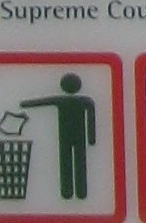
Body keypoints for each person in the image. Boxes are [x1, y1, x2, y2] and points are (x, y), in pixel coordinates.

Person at [23, 72, 97, 202]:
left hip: (66, 136)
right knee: (79, 161)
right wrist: (91, 139)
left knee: (67, 161)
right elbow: (91, 120)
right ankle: (79, 192)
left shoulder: (71, 100)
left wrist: (24, 104)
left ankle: (68, 192)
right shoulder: (85, 101)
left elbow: (42, 102)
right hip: (78, 137)